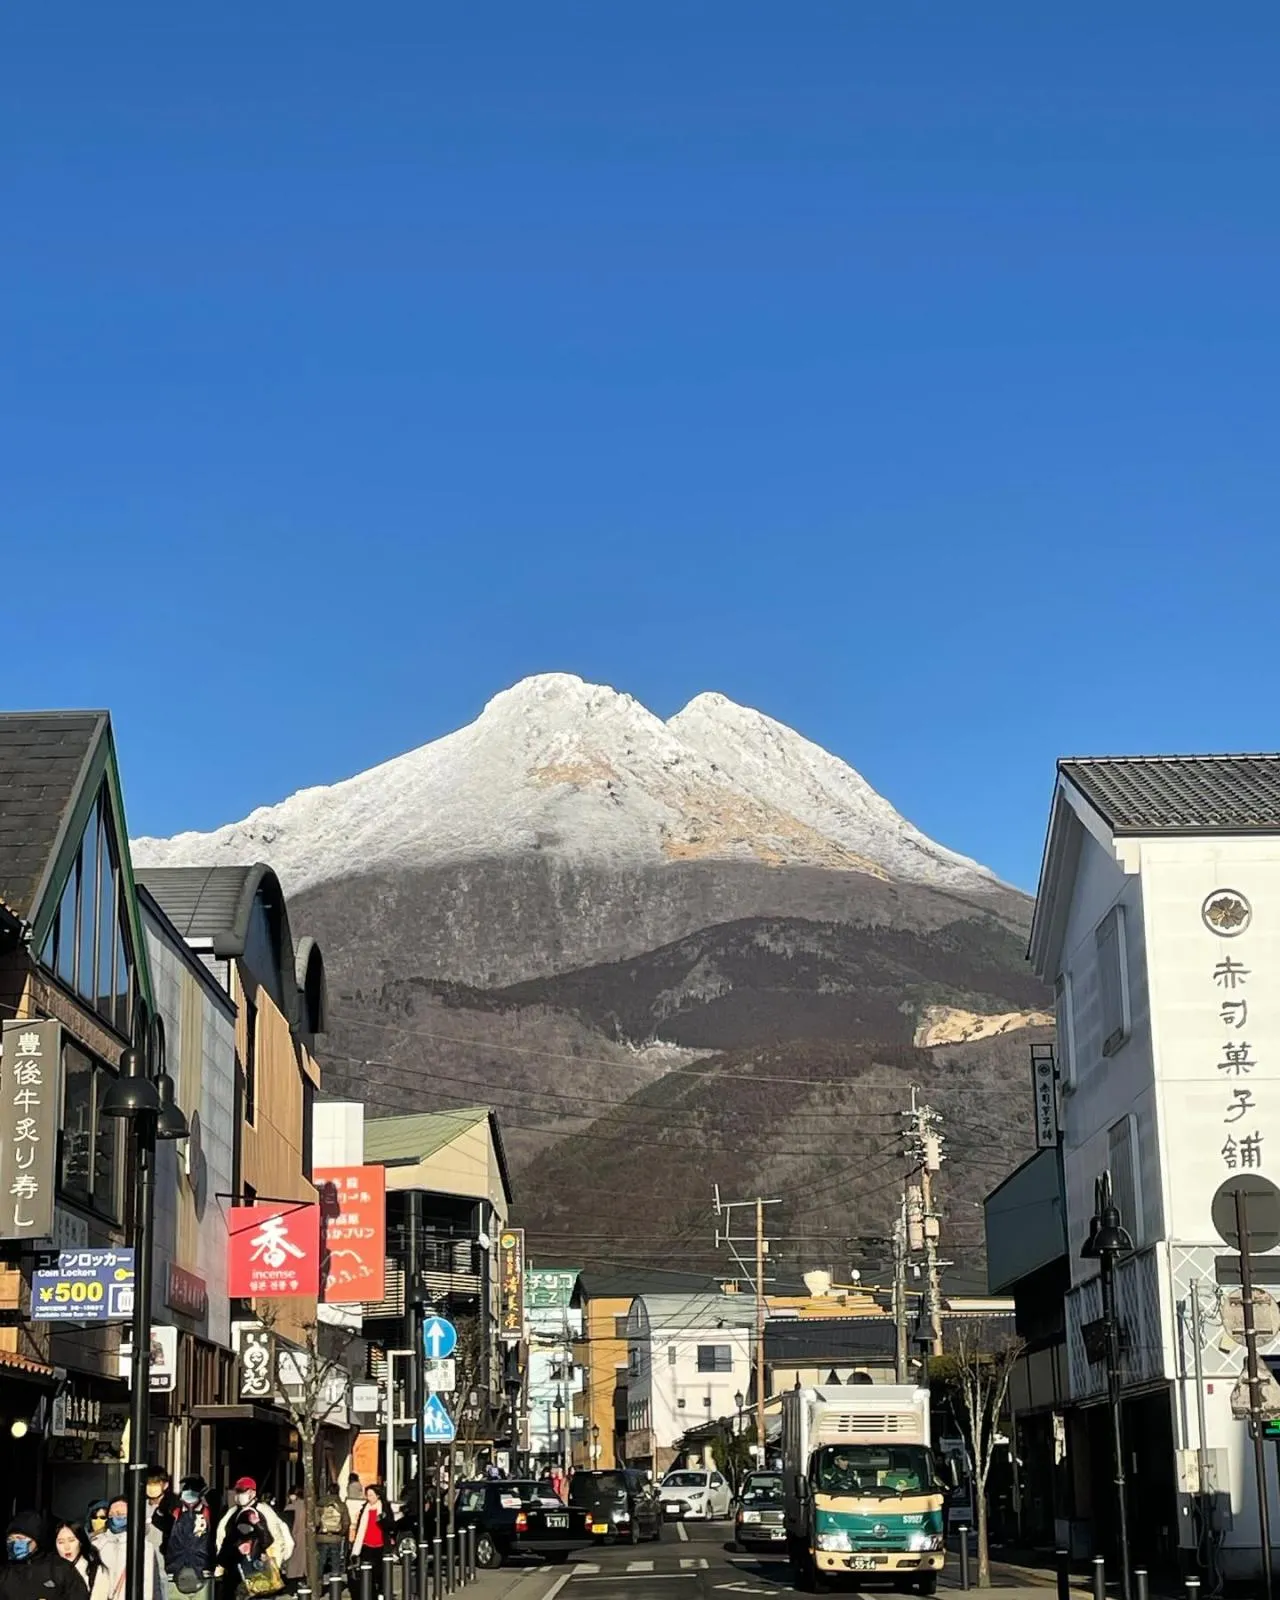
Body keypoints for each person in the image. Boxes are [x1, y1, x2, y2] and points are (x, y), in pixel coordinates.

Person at [90, 1500, 167, 1600]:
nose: (114, 1518)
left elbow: (154, 1585)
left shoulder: (145, 1547)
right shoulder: (97, 1544)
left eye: (120, 1514)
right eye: (111, 1515)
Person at [1, 1514, 85, 1600]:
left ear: (36, 1539)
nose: (15, 1543)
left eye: (20, 1538)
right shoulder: (5, 1573)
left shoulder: (60, 1568)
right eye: (10, 1539)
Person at [213, 1483, 292, 1574]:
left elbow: (275, 1539)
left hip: (257, 1565)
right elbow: (222, 1536)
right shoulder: (232, 1512)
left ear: (252, 1493)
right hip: (239, 1566)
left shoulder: (264, 1511)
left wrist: (275, 1564)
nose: (239, 1495)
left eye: (242, 1491)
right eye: (237, 1492)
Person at [163, 1476, 217, 1600]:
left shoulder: (209, 1512)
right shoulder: (174, 1511)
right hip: (175, 1571)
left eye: (193, 1489)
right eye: (186, 1489)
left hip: (202, 1571)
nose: (189, 1492)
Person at [54, 1524, 108, 1600]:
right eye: (61, 1542)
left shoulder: (95, 1571)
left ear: (81, 1542)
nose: (67, 1547)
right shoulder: (49, 1570)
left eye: (71, 1540)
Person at [313, 1486, 349, 1588]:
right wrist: (340, 1533)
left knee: (320, 1562)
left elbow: (315, 1522)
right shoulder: (341, 1506)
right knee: (335, 1562)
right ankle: (335, 1587)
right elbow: (346, 1523)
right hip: (335, 1538)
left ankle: (318, 1587)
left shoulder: (320, 1505)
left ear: (328, 1492)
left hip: (321, 1537)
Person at [349, 1486, 387, 1565]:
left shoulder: (384, 1508)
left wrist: (383, 1519)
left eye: (371, 1495)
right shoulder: (365, 1508)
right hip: (366, 1543)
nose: (369, 1498)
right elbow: (361, 1527)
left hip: (380, 1543)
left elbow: (389, 1524)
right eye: (368, 1495)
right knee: (366, 1568)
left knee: (378, 1568)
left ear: (377, 1496)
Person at [146, 1472, 180, 1557]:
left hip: (165, 1555)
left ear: (165, 1485)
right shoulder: (138, 1505)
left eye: (156, 1483)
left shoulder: (173, 1505)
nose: (152, 1487)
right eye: (149, 1483)